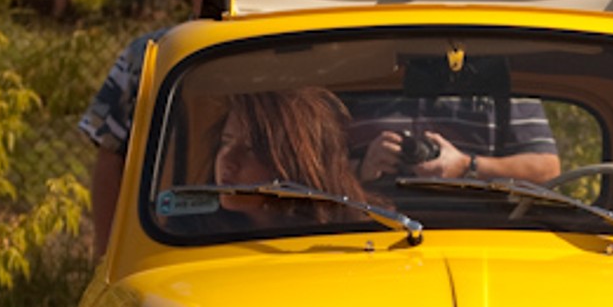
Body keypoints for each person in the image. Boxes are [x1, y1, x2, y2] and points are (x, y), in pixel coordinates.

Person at [78, 0, 260, 259]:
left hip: (264, 239)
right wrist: (106, 256)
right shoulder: (151, 55)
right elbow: (110, 156)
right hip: (169, 242)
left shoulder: (277, 56)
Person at [211, 88, 374, 224]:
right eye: (226, 142)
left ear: (294, 162)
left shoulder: (360, 234)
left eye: (251, 149)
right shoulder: (195, 237)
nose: (228, 160)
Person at [348, 94, 561, 184]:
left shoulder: (503, 85)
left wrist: (467, 165)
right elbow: (316, 175)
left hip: (478, 232)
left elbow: (547, 169)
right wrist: (363, 168)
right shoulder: (360, 73)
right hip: (368, 230)